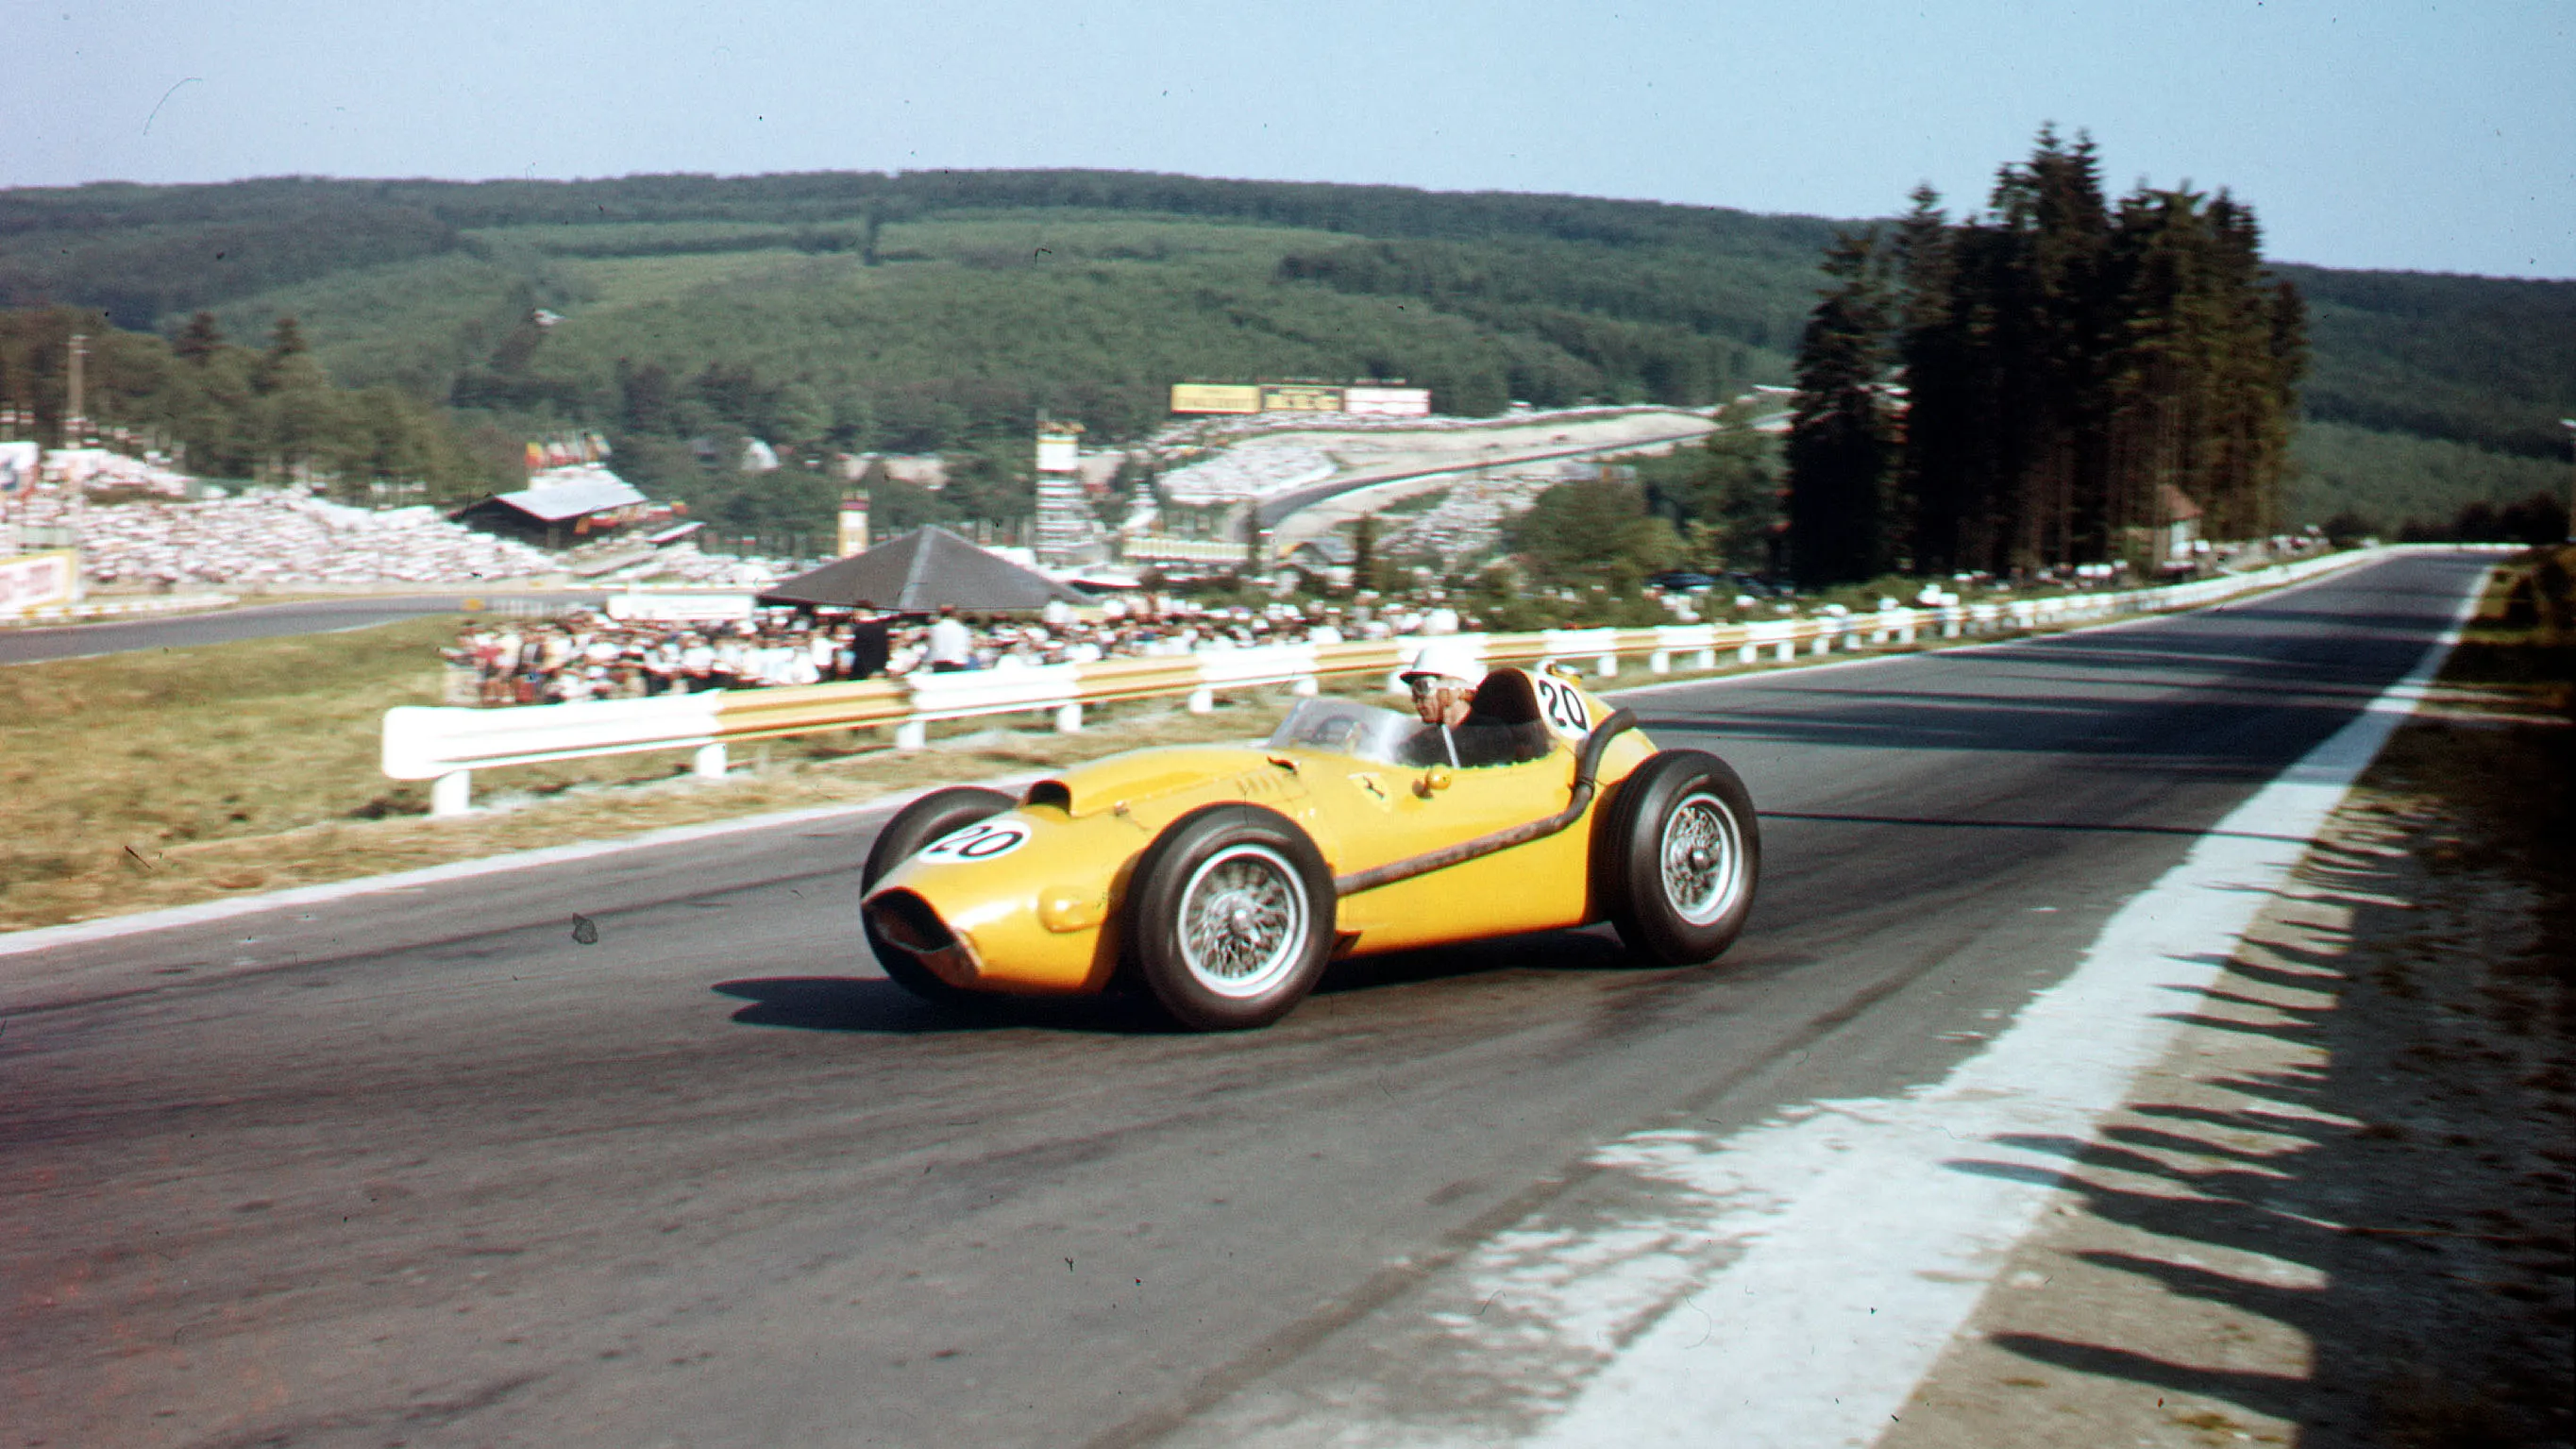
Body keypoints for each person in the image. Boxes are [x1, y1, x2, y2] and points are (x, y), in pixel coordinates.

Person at [1397, 639, 1550, 768]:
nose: (1416, 699)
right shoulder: (1422, 743)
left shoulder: (1492, 734)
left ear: (1454, 688)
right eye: (1413, 690)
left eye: (1423, 687)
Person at [925, 607, 974, 672]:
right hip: (958, 663)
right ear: (956, 614)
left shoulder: (934, 629)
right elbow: (967, 649)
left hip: (939, 664)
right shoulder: (963, 629)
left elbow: (929, 646)